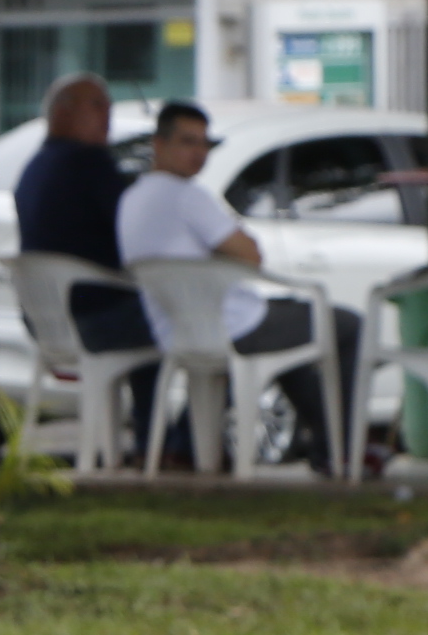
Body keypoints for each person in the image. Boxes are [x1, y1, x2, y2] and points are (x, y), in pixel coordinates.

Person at [116, 100, 360, 469]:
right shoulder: (188, 196)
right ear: (159, 144)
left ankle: (329, 446)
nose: (199, 153)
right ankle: (340, 450)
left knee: (294, 335)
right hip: (234, 327)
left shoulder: (131, 200)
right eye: (187, 142)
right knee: (347, 324)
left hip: (177, 333)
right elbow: (249, 254)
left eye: (204, 144)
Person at [11, 72, 153, 455]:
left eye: (108, 107)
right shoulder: (89, 164)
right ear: (62, 113)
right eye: (97, 106)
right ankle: (166, 445)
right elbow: (137, 231)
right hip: (95, 318)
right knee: (177, 319)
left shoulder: (35, 167)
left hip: (48, 321)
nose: (107, 115)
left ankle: (161, 443)